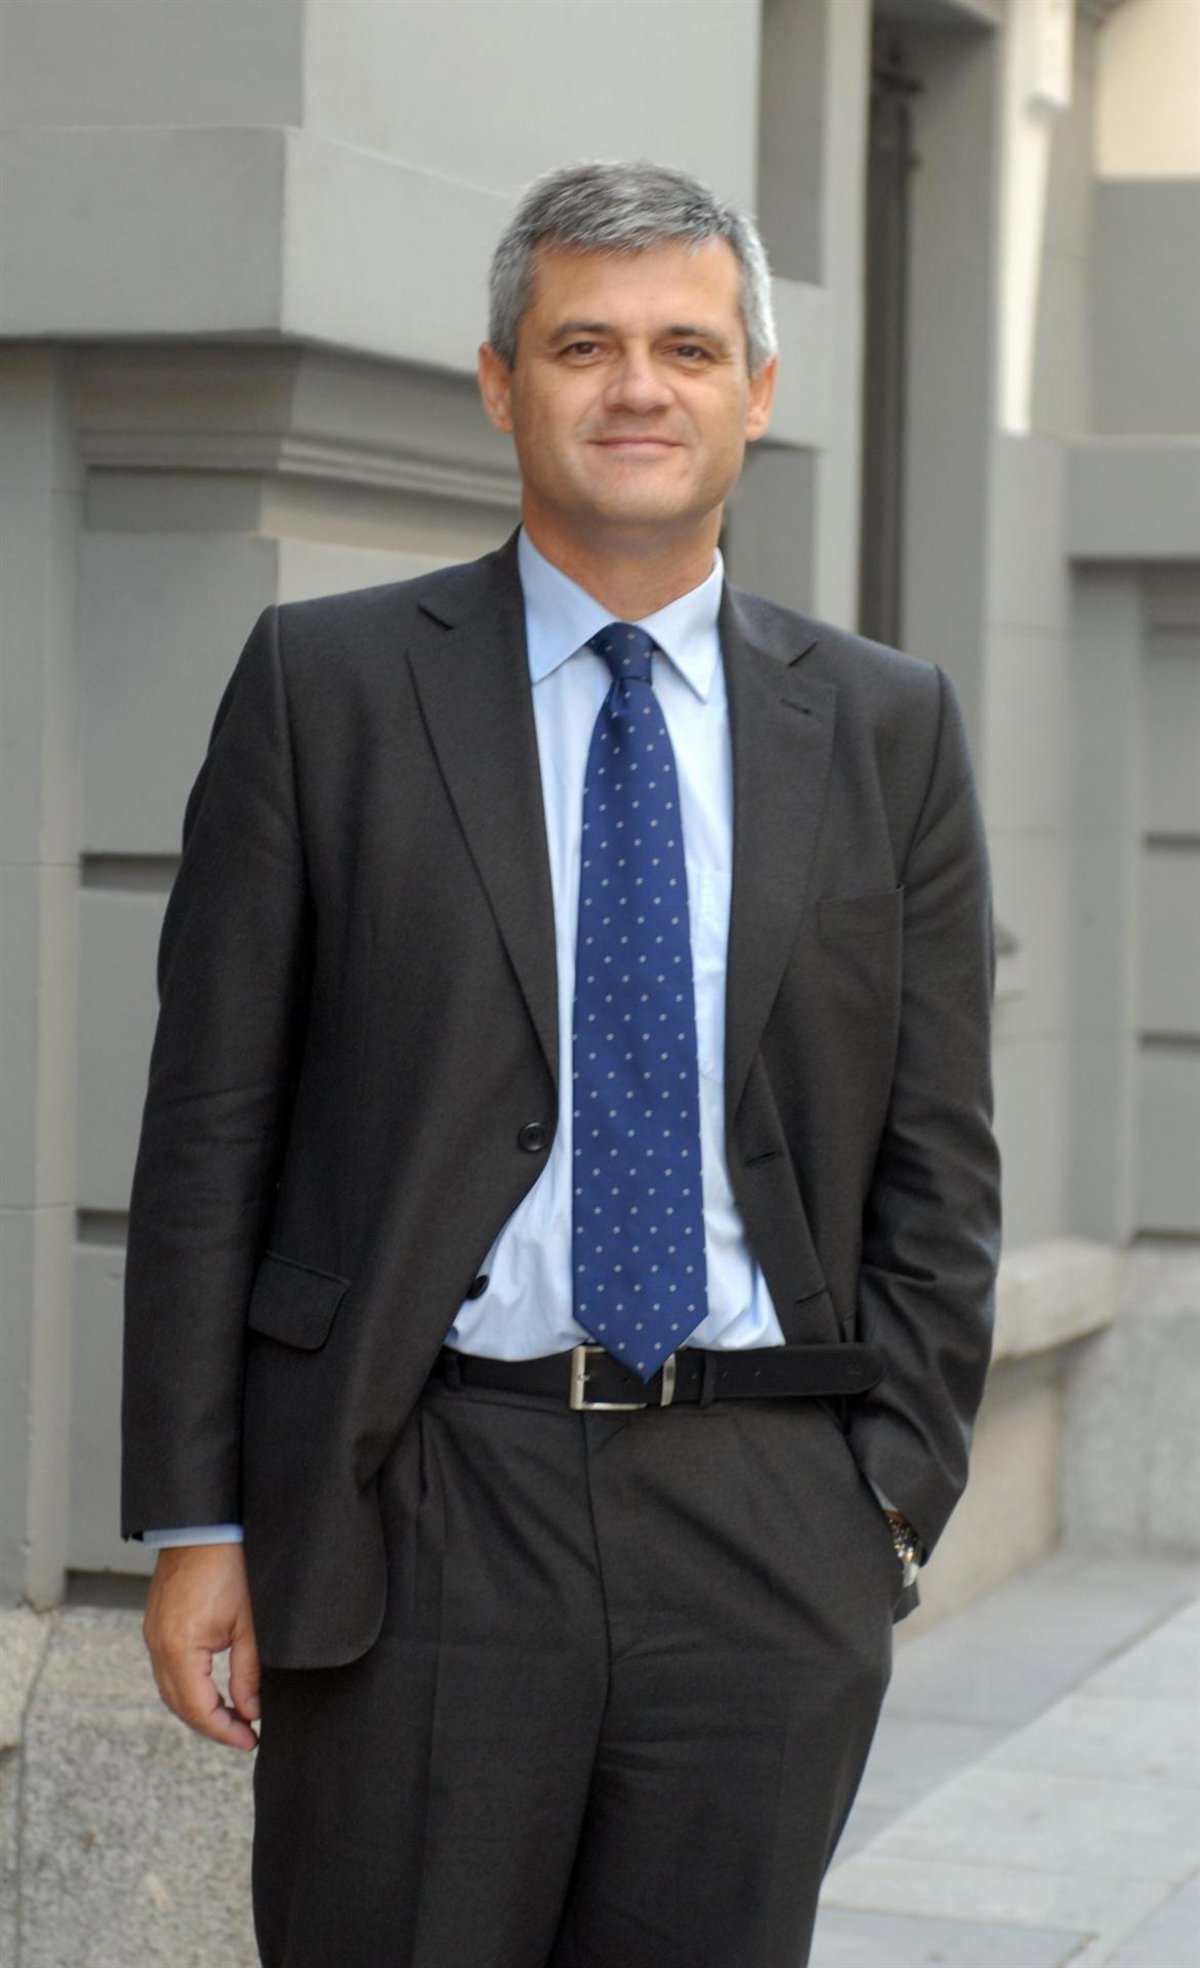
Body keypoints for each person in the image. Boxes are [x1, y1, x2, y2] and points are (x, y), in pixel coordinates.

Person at [122, 159, 1001, 1967]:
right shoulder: (324, 687)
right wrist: (202, 1521)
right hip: (432, 1488)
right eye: (583, 345)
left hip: (769, 1511)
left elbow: (940, 1154)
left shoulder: (887, 724)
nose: (636, 388)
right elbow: (211, 1129)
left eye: (688, 347)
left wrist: (885, 1503)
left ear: (758, 390)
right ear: (498, 382)